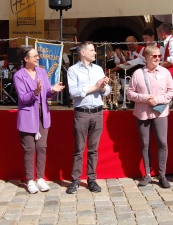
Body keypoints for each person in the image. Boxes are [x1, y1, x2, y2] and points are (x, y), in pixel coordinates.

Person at [14, 46, 65, 194]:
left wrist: (53, 90)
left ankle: (40, 178)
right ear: (26, 59)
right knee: (29, 149)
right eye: (34, 56)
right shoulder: (19, 75)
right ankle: (30, 180)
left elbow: (47, 92)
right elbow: (23, 98)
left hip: (43, 116)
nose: (38, 58)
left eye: (38, 55)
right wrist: (35, 92)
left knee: (41, 147)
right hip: (28, 116)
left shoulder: (42, 72)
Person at [127, 45, 173, 188]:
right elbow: (130, 93)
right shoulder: (138, 74)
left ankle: (162, 175)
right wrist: (144, 98)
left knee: (162, 142)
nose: (157, 58)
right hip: (142, 113)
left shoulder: (165, 72)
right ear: (147, 57)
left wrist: (158, 100)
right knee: (145, 143)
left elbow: (171, 91)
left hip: (160, 112)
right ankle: (147, 174)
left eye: (159, 56)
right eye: (154, 56)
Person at [66, 41, 111, 194]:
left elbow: (106, 91)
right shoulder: (73, 70)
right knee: (79, 149)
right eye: (92, 50)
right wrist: (96, 87)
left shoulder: (98, 69)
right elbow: (74, 92)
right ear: (83, 53)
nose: (94, 53)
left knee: (94, 149)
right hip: (82, 113)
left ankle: (91, 179)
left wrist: (104, 86)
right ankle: (75, 180)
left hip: (97, 112)